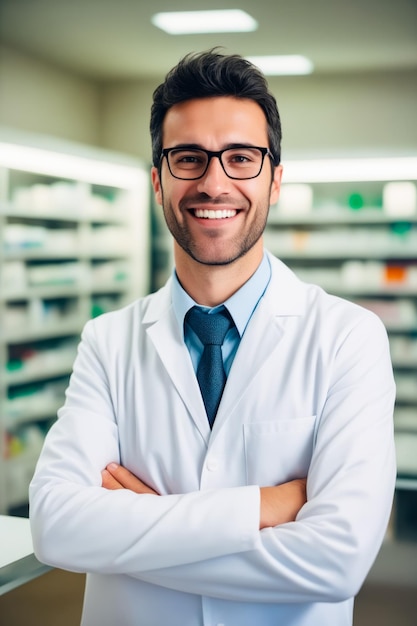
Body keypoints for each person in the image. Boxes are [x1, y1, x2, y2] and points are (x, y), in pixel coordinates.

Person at [29, 50, 396, 626]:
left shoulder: (349, 338)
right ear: (157, 180)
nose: (214, 182)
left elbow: (337, 562)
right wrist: (267, 505)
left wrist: (138, 529)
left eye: (241, 158)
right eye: (189, 158)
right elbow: (55, 526)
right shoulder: (107, 342)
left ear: (275, 181)